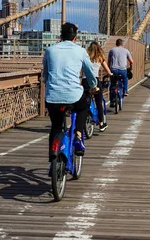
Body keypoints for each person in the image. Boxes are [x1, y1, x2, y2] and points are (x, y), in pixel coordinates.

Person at [43, 22, 97, 157]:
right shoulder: (81, 51)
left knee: (56, 127)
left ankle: (52, 156)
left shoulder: (50, 50)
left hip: (52, 97)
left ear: (60, 36)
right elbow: (89, 73)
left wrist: (47, 82)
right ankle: (78, 135)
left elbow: (45, 74)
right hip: (74, 95)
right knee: (83, 107)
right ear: (75, 38)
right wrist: (93, 85)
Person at [85, 41, 112, 132]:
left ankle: (81, 122)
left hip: (85, 81)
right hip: (95, 81)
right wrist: (110, 74)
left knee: (84, 101)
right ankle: (101, 123)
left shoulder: (85, 57)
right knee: (99, 102)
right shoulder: (100, 58)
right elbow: (108, 70)